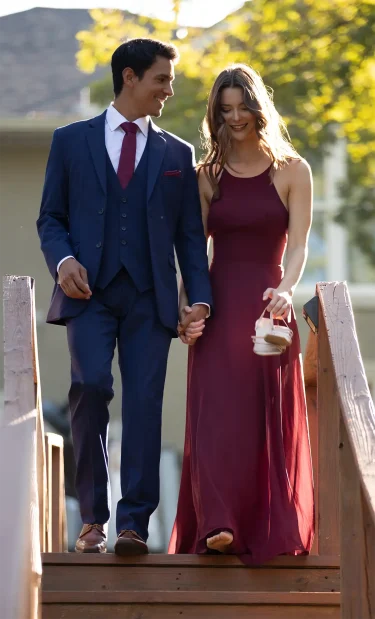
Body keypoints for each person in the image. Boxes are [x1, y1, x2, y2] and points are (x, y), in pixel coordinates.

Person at [37, 38, 212, 556]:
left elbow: (189, 239)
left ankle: (134, 523)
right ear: (130, 77)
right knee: (90, 388)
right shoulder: (71, 141)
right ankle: (93, 519)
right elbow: (51, 218)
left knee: (143, 404)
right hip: (87, 293)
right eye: (162, 78)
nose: (169, 89)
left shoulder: (178, 153)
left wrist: (197, 297)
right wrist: (64, 261)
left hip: (149, 298)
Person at [168, 64, 314, 563]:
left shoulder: (294, 170)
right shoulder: (206, 177)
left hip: (268, 309)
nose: (235, 118)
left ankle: (264, 524)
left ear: (259, 108)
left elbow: (298, 248)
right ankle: (218, 523)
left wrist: (287, 290)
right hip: (221, 303)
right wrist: (189, 306)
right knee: (217, 417)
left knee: (263, 419)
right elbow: (194, 252)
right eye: (224, 110)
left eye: (242, 108)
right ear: (215, 113)